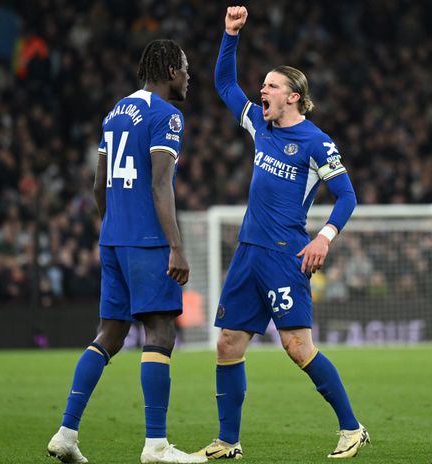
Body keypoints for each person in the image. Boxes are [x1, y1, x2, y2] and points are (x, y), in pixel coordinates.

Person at [193, 6, 366, 460]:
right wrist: (230, 35)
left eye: (270, 85)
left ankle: (352, 428)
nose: (261, 90)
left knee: (296, 346)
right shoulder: (259, 125)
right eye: (264, 85)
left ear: (293, 96)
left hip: (286, 253)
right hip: (248, 251)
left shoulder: (317, 142)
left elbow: (347, 197)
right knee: (228, 344)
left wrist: (324, 236)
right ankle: (228, 441)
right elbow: (225, 85)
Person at [47, 40, 206, 464]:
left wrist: (113, 227)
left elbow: (99, 186)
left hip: (114, 238)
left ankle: (66, 432)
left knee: (109, 334)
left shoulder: (115, 113)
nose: (188, 76)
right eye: (185, 68)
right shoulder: (166, 116)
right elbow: (159, 185)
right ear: (171, 69)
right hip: (148, 242)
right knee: (160, 332)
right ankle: (156, 445)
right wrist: (176, 245)